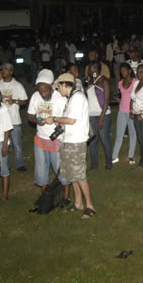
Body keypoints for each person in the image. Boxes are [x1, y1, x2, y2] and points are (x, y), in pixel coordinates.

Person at [46, 73, 96, 219]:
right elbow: (69, 119)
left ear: (64, 84)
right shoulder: (71, 99)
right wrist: (59, 121)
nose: (57, 90)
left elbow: (72, 120)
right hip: (67, 140)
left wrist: (55, 118)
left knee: (79, 175)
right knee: (71, 174)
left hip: (76, 141)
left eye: (58, 87)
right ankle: (78, 203)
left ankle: (90, 206)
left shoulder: (78, 98)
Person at [27, 69, 70, 200]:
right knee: (41, 170)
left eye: (45, 90)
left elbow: (67, 118)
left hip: (56, 139)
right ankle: (44, 196)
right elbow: (30, 115)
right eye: (40, 91)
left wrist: (57, 122)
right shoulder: (35, 96)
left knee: (61, 169)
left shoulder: (60, 98)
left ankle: (66, 196)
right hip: (40, 139)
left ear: (52, 85)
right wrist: (36, 121)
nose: (43, 93)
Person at [0, 63, 28, 172]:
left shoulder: (17, 85)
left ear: (11, 72)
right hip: (1, 119)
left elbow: (24, 101)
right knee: (4, 143)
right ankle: (5, 164)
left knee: (16, 143)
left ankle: (19, 164)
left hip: (14, 119)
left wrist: (14, 101)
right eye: (2, 69)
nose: (3, 71)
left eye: (6, 69)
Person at [85, 61, 112, 170]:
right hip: (91, 114)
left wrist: (101, 118)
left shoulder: (103, 80)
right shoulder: (90, 81)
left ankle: (109, 163)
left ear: (95, 69)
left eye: (90, 68)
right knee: (93, 140)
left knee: (104, 139)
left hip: (103, 114)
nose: (88, 70)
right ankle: (94, 164)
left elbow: (107, 100)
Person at [112, 63, 138, 165]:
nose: (123, 73)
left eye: (125, 70)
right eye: (121, 71)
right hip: (122, 111)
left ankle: (131, 155)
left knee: (132, 134)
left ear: (129, 70)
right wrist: (118, 100)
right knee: (119, 134)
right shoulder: (120, 83)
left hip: (132, 111)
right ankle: (114, 156)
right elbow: (122, 97)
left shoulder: (135, 82)